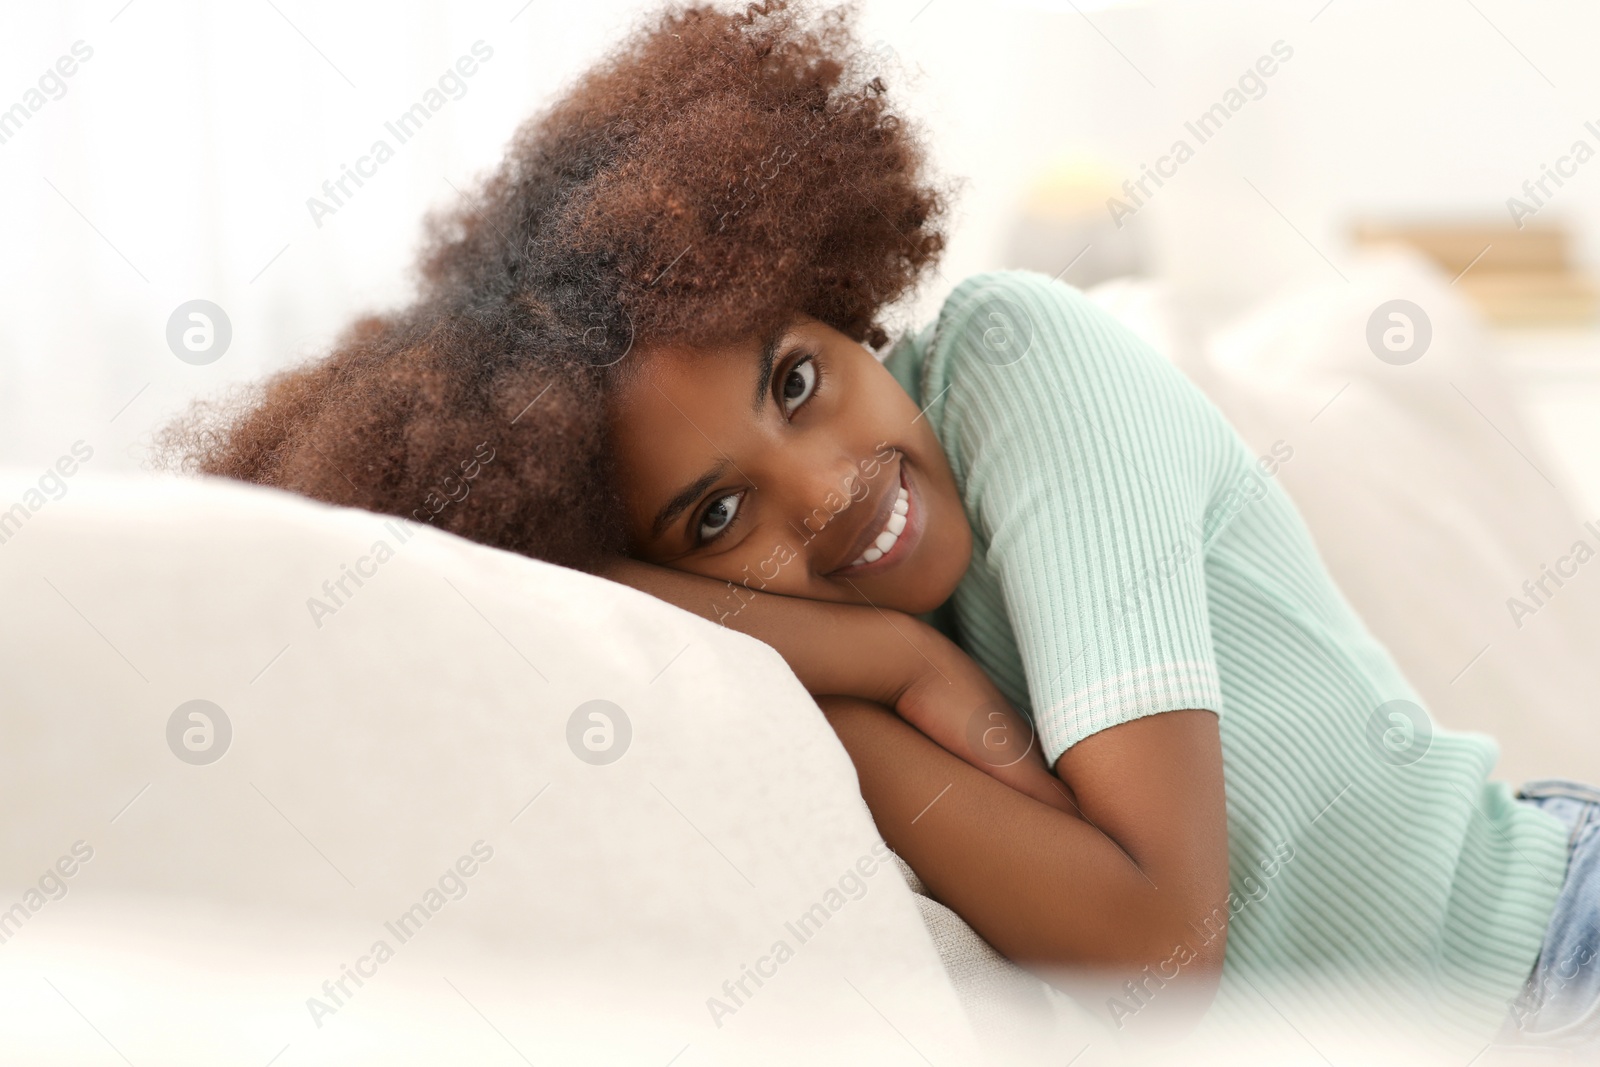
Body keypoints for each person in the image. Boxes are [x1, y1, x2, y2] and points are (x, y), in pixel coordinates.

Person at [161, 0, 1597, 1052]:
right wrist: (879, 668)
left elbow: (1160, 947)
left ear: (842, 300)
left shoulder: (1021, 366)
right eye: (718, 513)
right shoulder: (821, 649)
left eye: (796, 379)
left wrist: (865, 693)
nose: (831, 487)